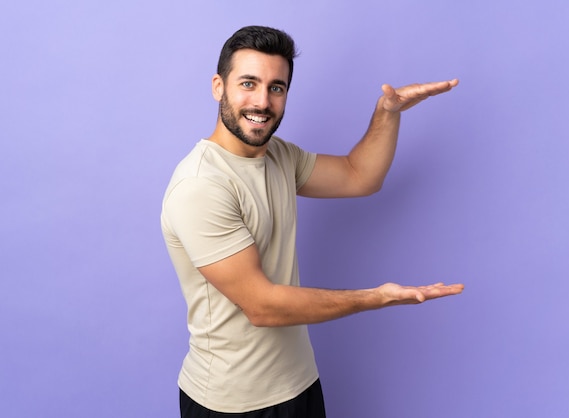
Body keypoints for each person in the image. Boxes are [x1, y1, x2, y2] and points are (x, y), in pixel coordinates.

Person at [161, 25, 464, 418]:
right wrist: (378, 297)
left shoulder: (279, 156)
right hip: (233, 403)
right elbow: (263, 306)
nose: (262, 101)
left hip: (298, 384)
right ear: (219, 86)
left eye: (276, 87)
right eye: (248, 83)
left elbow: (360, 175)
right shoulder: (202, 185)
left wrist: (387, 114)